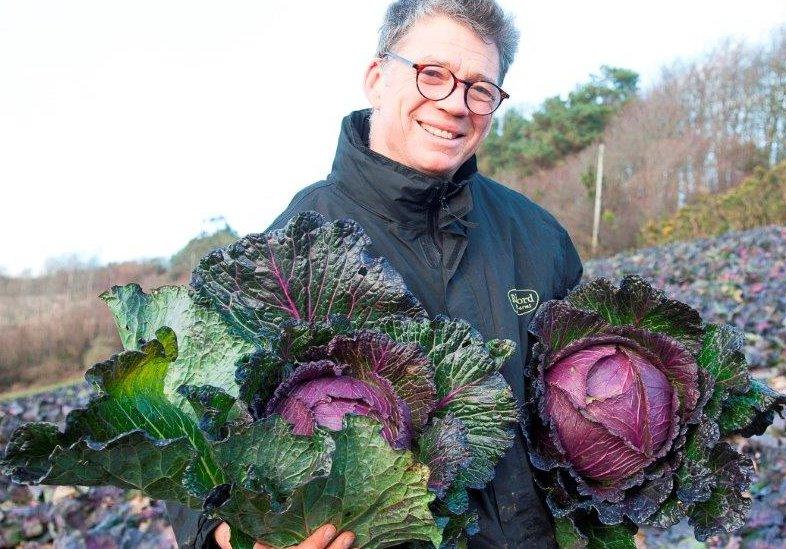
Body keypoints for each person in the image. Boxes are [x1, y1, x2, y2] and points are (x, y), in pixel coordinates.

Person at [165, 1, 582, 547]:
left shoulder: (537, 236)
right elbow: (187, 435)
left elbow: (582, 412)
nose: (455, 104)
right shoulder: (287, 256)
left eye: (480, 89)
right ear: (376, 79)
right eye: (432, 74)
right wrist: (225, 533)